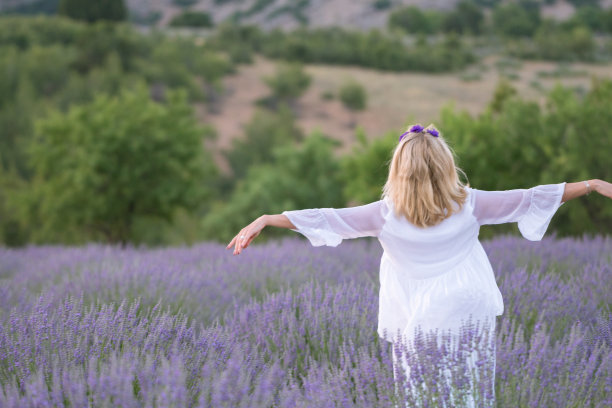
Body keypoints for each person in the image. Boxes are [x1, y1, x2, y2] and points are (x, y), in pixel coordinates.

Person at [226, 124, 612, 407]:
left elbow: (325, 218)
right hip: (470, 301)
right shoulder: (470, 202)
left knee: (418, 392)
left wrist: (266, 218)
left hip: (422, 313)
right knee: (470, 388)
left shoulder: (382, 215)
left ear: (398, 171)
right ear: (446, 166)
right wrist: (591, 184)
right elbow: (533, 198)